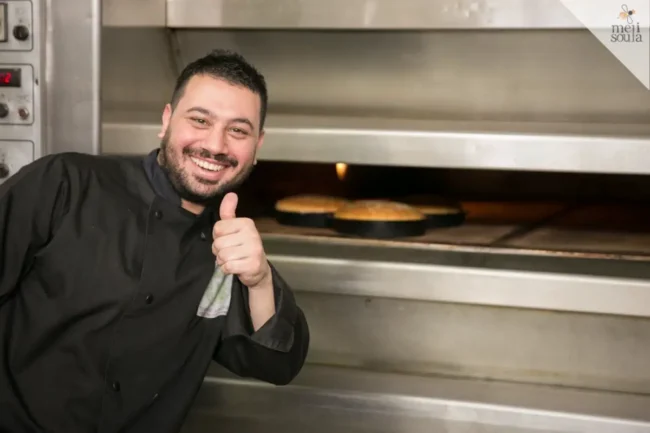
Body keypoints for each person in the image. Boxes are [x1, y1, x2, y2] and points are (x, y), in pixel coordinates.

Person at [0, 49, 310, 432]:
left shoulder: (227, 248)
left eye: (238, 131)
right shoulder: (64, 183)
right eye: (200, 120)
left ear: (257, 145)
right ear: (166, 120)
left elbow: (276, 365)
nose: (216, 145)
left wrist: (260, 281)